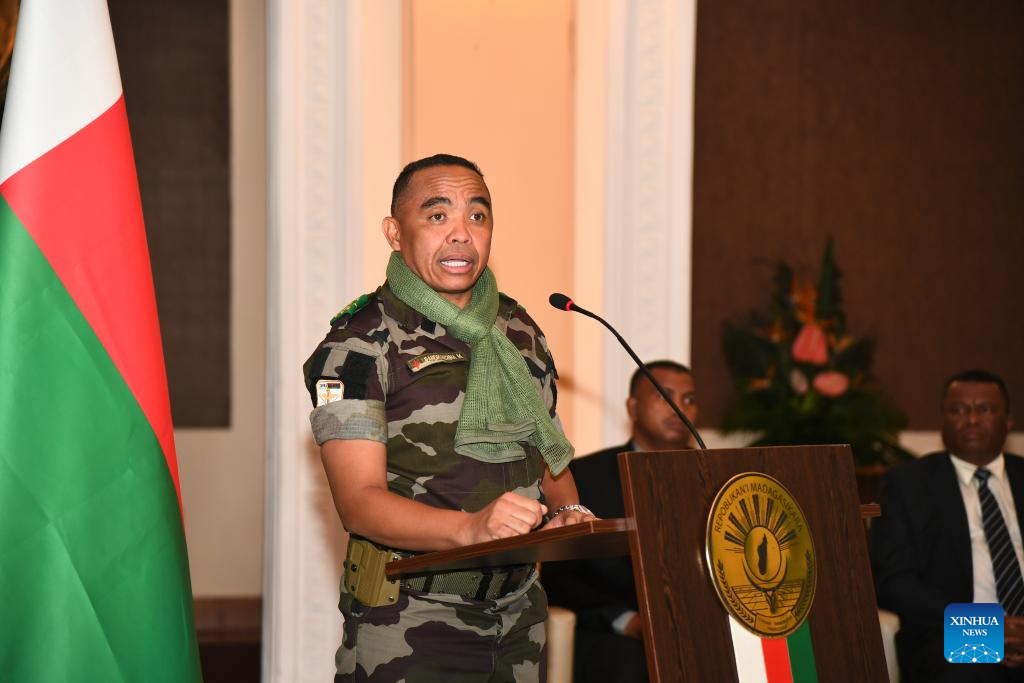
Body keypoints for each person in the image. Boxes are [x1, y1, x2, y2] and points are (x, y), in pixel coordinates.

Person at [303, 153, 595, 682]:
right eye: (437, 215)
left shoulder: (518, 329)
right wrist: (471, 529)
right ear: (395, 232)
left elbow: (545, 447)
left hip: (520, 613)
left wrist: (570, 509)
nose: (461, 233)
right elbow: (359, 504)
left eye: (477, 215)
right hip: (411, 618)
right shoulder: (359, 343)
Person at [543, 361, 698, 683]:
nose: (679, 408)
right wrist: (626, 620)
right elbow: (559, 579)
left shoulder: (713, 475)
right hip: (612, 630)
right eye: (664, 396)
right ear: (633, 407)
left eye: (689, 399)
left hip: (697, 624)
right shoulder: (583, 476)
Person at [872, 369, 1024, 682]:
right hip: (950, 630)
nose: (971, 420)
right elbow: (893, 582)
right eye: (958, 410)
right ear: (942, 422)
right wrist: (986, 627)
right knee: (967, 668)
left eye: (985, 409)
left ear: (1008, 422)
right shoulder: (907, 485)